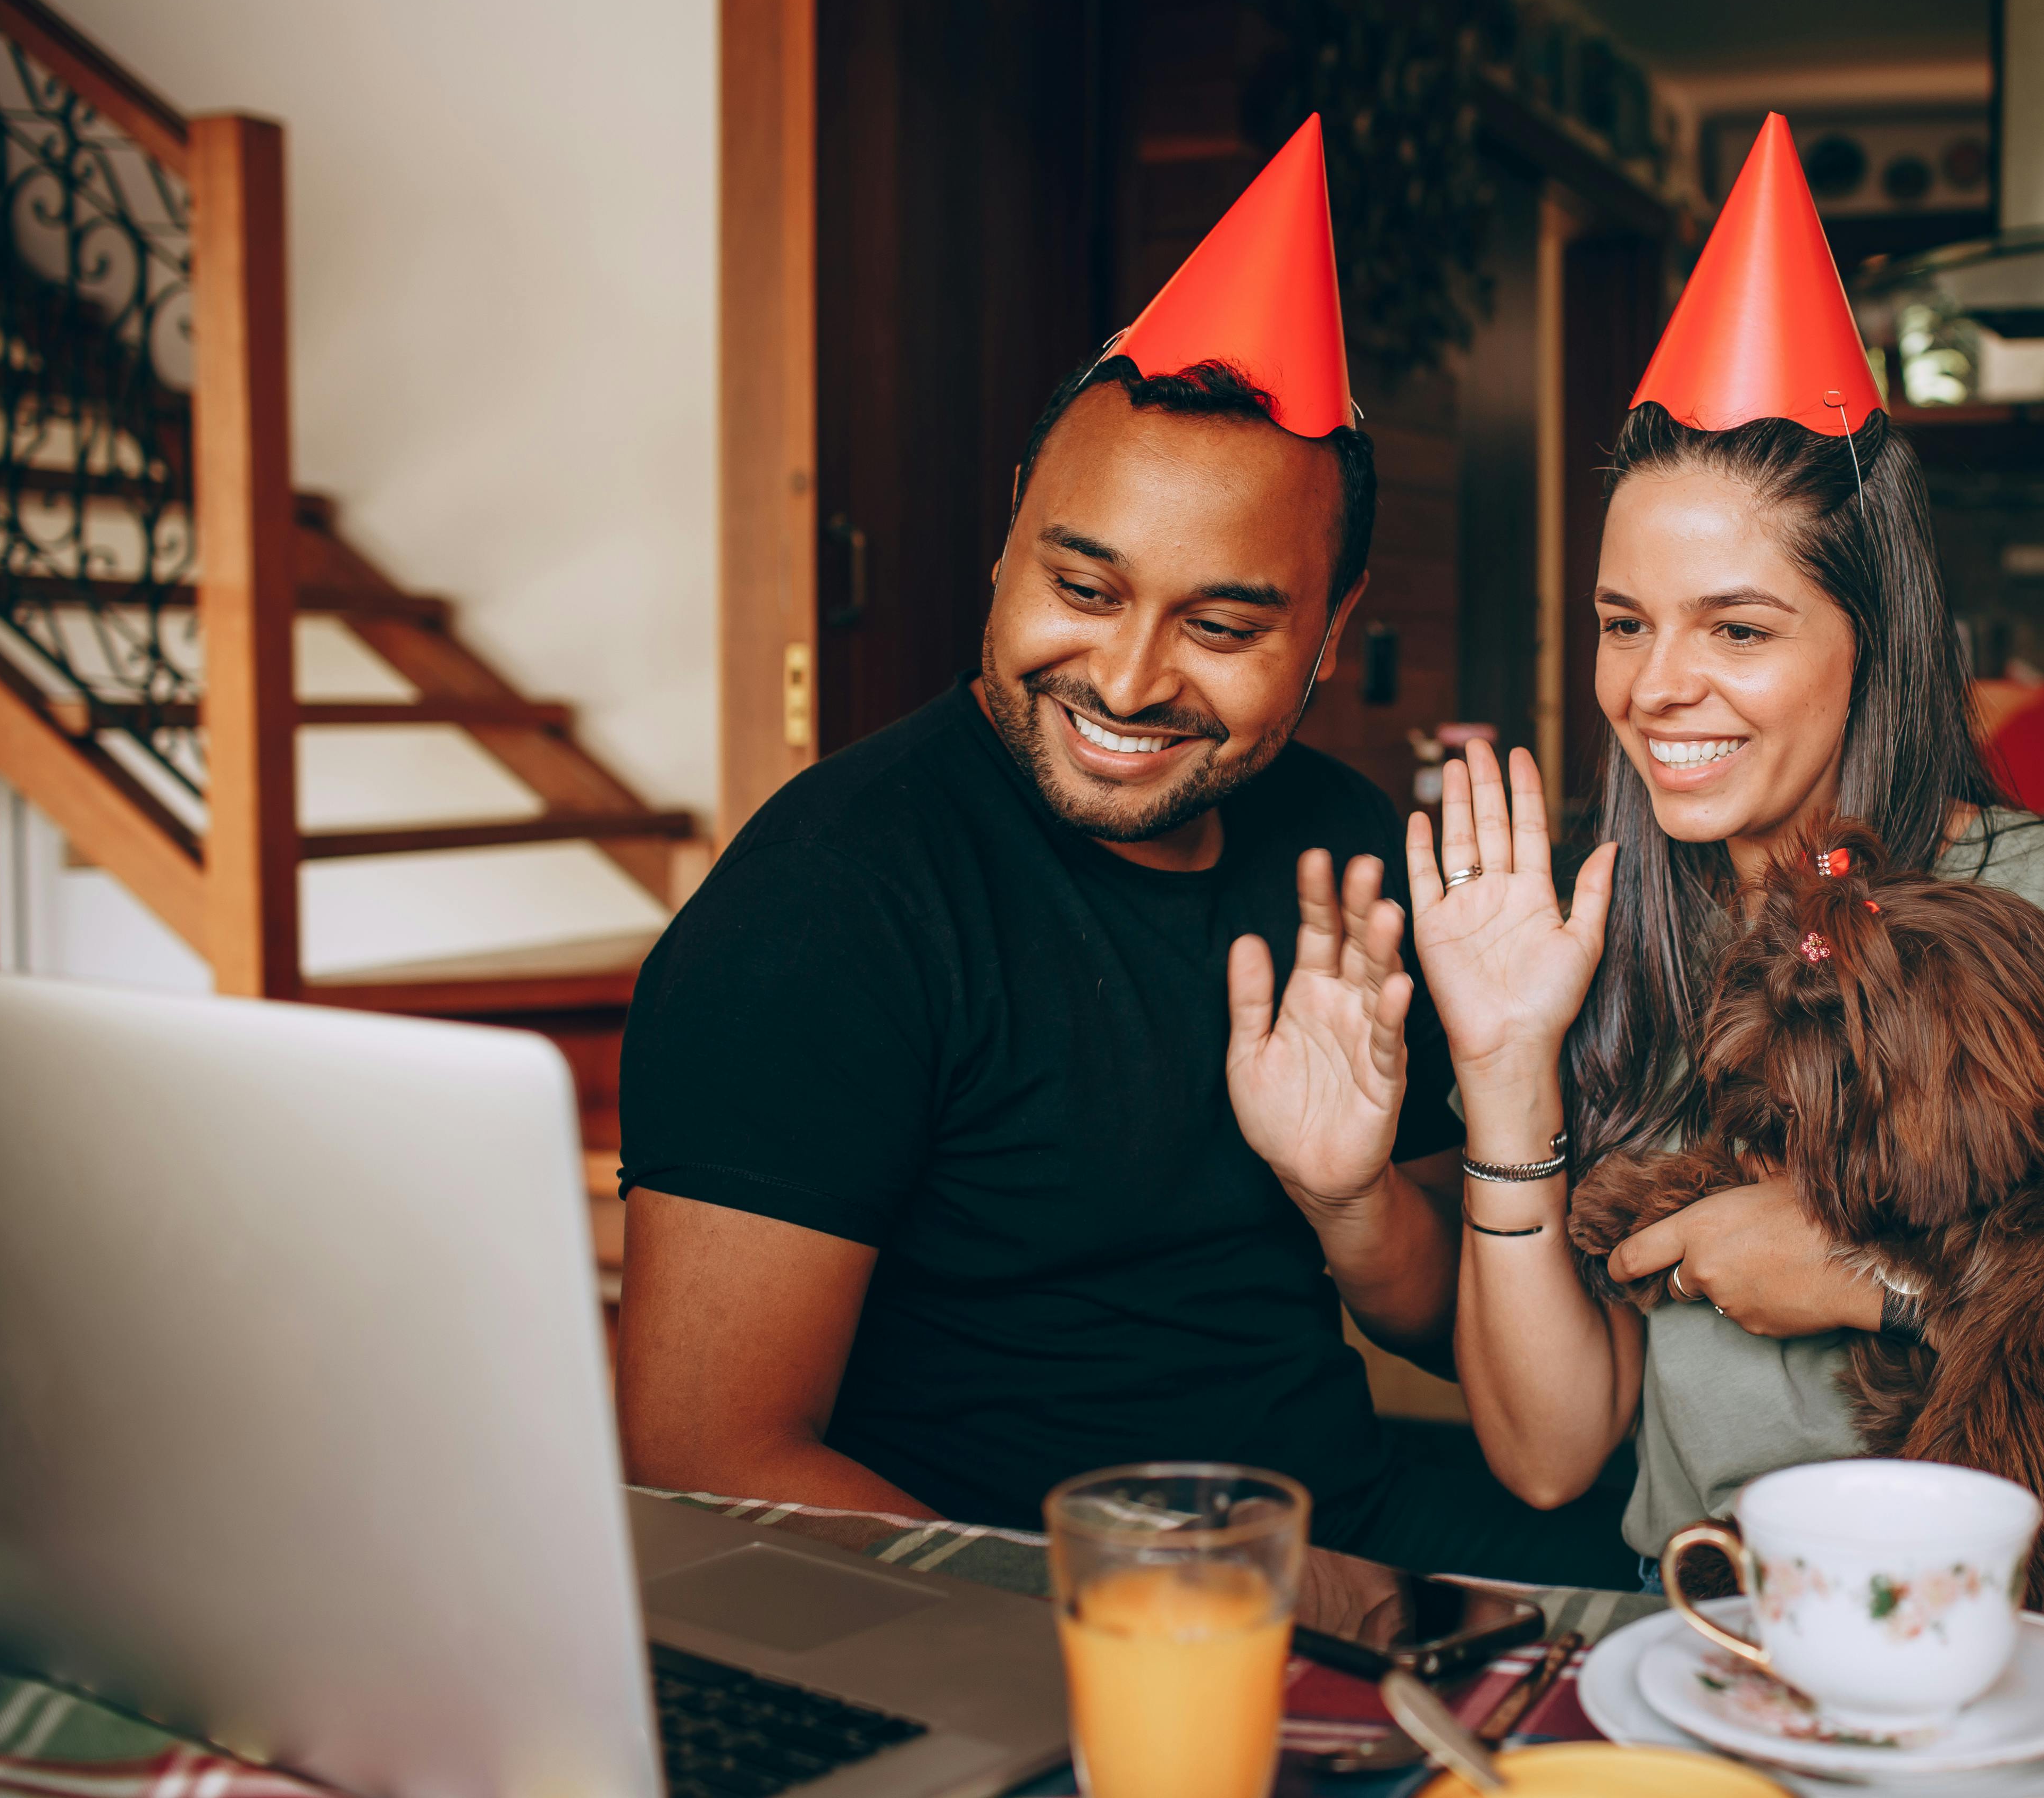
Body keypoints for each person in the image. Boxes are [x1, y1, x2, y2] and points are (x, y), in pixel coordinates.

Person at [610, 119, 1635, 1585]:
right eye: (1080, 585)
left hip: (1337, 1536)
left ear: (1328, 637)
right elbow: (711, 1466)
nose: (1133, 679)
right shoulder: (827, 906)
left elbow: (1460, 1329)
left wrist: (1355, 1203)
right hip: (980, 1611)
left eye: (1220, 628)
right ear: (1006, 543)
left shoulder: (1346, 859)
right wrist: (1189, 1611)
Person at [1397, 117, 2044, 1566]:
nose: (1654, 687)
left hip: (2013, 1640)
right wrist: (1507, 1077)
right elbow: (1551, 1456)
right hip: (1706, 1627)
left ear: (1872, 642)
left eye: (1737, 629)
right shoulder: (1607, 939)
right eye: (1626, 624)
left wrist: (1872, 1282)